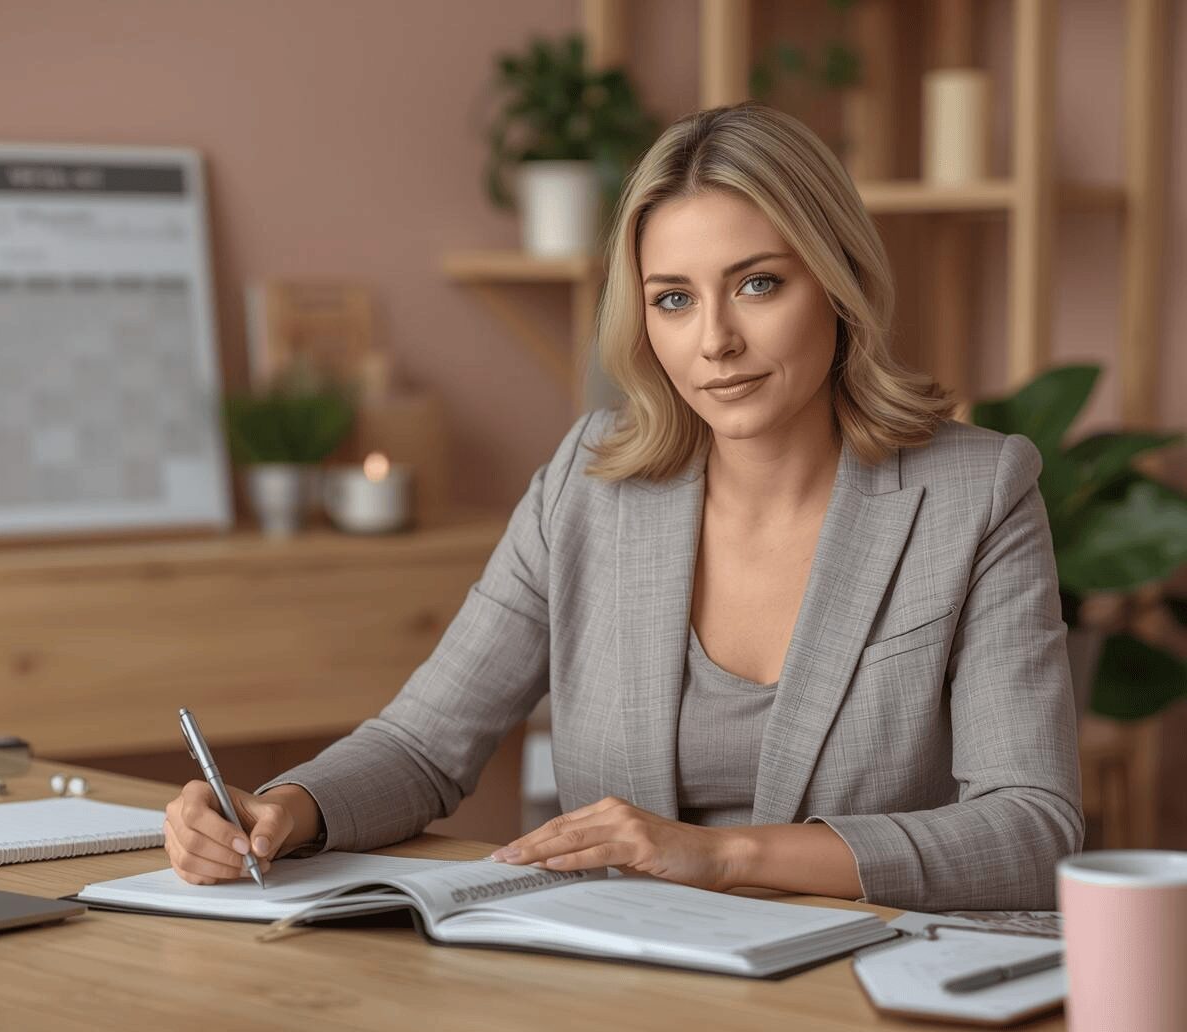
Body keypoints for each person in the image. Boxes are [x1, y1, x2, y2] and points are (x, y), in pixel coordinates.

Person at [164, 101, 1083, 912]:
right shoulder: (589, 482)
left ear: (838, 284)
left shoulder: (976, 493)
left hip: (860, 982)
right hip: (626, 982)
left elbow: (1032, 828)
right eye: (673, 299)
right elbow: (423, 745)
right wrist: (286, 808)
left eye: (759, 283)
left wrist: (723, 857)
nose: (715, 341)